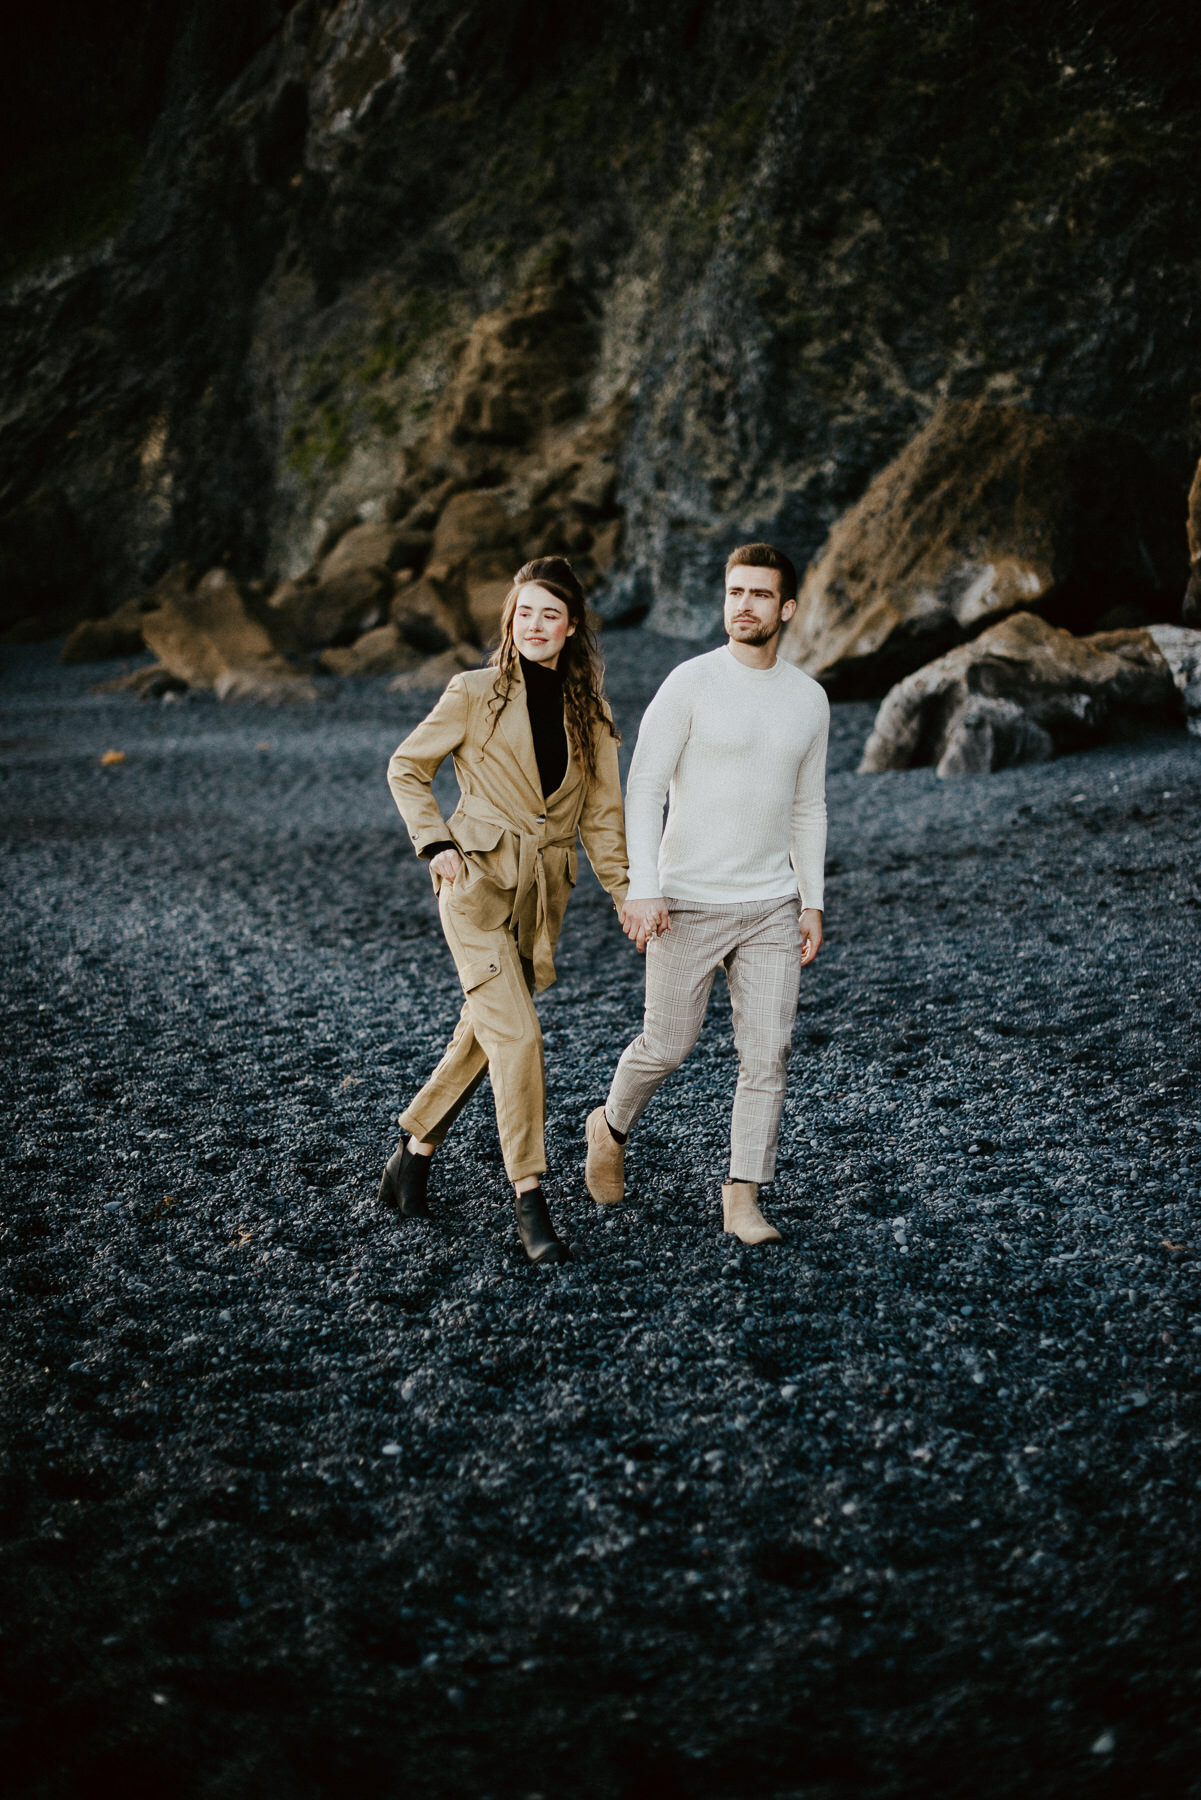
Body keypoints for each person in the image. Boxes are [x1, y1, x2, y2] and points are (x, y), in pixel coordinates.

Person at [381, 556, 628, 1264]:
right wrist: (435, 845)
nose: (535, 626)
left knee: (485, 1033)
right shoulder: (474, 691)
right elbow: (406, 766)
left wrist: (623, 894)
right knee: (518, 1039)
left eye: (550, 614)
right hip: (474, 889)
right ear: (508, 621)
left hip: (540, 901)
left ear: (571, 626)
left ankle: (412, 1156)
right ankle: (529, 1200)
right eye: (524, 613)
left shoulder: (593, 715)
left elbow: (603, 819)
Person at [584, 543, 828, 1245]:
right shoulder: (689, 683)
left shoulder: (807, 699)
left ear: (784, 609)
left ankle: (741, 1194)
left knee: (766, 1055)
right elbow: (644, 787)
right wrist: (643, 888)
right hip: (685, 901)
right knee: (666, 1045)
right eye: (734, 592)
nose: (743, 605)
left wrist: (810, 899)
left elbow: (807, 808)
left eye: (758, 595)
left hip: (770, 907)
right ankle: (608, 1127)